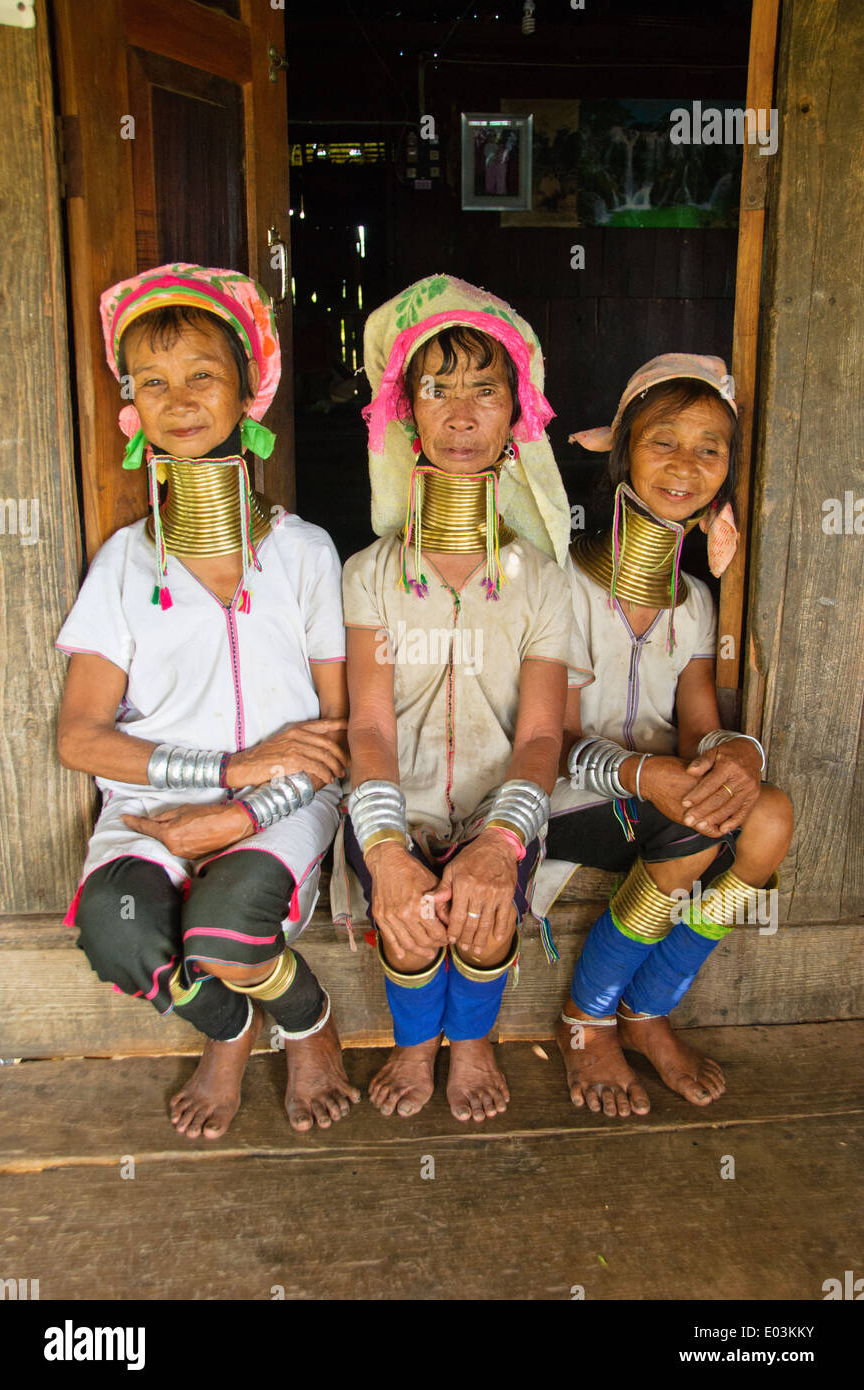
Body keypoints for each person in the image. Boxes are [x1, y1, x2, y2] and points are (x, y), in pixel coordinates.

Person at [56, 263, 359, 1139]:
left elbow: (336, 729)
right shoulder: (124, 563)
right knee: (117, 934)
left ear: (247, 394)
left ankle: (305, 1022)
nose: (178, 399)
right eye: (153, 382)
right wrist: (217, 773)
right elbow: (81, 736)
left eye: (202, 376)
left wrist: (241, 808)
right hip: (154, 806)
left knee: (224, 929)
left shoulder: (303, 553)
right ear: (131, 409)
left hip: (285, 803)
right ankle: (228, 1029)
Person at [335, 274, 573, 1122]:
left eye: (486, 391)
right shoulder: (368, 576)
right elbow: (367, 723)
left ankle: (470, 1040)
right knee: (407, 912)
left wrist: (500, 840)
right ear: (405, 412)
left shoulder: (542, 583)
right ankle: (413, 1043)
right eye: (438, 390)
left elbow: (543, 738)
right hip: (389, 799)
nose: (464, 416)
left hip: (498, 801)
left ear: (519, 416)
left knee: (483, 907)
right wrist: (390, 847)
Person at [541, 353, 794, 1117]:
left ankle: (648, 1006)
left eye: (710, 447)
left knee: (771, 815)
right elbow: (551, 741)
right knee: (692, 823)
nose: (686, 464)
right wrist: (656, 779)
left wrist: (738, 762)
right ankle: (586, 1018)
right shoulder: (563, 583)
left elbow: (700, 728)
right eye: (664, 440)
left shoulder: (692, 601)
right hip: (562, 800)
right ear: (621, 450)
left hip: (659, 795)